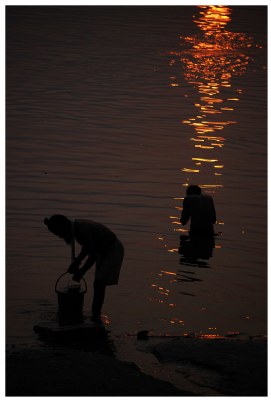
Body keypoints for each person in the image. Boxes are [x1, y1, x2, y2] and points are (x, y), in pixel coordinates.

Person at [44, 215, 124, 323]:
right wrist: (77, 262)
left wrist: (81, 272)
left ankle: (96, 316)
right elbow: (87, 247)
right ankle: (96, 315)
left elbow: (93, 255)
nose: (60, 237)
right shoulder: (77, 228)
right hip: (103, 251)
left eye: (59, 234)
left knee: (99, 284)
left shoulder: (82, 230)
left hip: (112, 250)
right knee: (98, 284)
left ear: (63, 228)